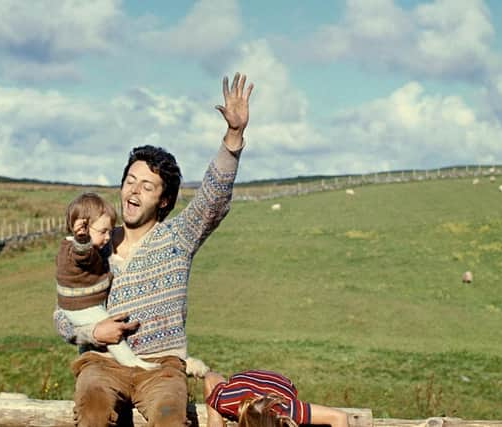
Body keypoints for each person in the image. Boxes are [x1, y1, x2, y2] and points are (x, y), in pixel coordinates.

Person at [53, 72, 254, 427]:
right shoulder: (93, 246)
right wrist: (92, 334)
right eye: (130, 181)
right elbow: (63, 312)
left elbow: (213, 198)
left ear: (163, 201)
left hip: (162, 368)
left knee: (169, 416)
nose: (133, 191)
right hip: (101, 364)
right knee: (93, 407)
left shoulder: (177, 238)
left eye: (147, 186)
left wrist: (233, 137)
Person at [55, 192, 160, 370]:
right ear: (81, 228)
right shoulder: (76, 249)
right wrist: (83, 238)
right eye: (103, 231)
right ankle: (131, 362)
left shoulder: (79, 247)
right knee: (111, 328)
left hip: (82, 302)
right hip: (81, 306)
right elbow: (83, 254)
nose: (107, 237)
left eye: (110, 232)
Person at [203, 370, 350, 427]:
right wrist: (214, 417)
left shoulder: (288, 411)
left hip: (281, 383)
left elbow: (339, 418)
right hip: (243, 381)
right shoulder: (228, 400)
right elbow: (210, 377)